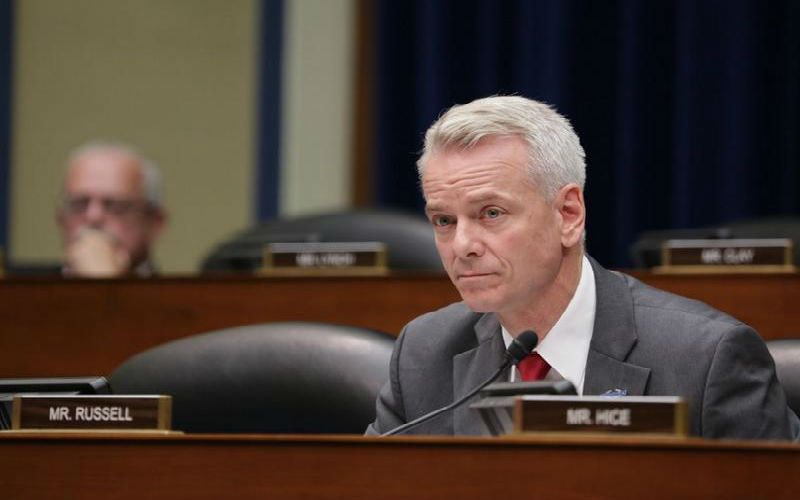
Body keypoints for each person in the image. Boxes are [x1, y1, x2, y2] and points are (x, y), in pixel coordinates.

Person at [366, 95, 800, 439]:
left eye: (491, 213)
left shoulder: (706, 360)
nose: (462, 245)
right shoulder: (423, 354)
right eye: (444, 220)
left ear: (568, 214)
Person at [55, 141, 167, 277]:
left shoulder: (181, 297)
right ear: (60, 218)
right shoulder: (25, 292)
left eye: (116, 206)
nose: (93, 216)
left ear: (154, 223)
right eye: (79, 204)